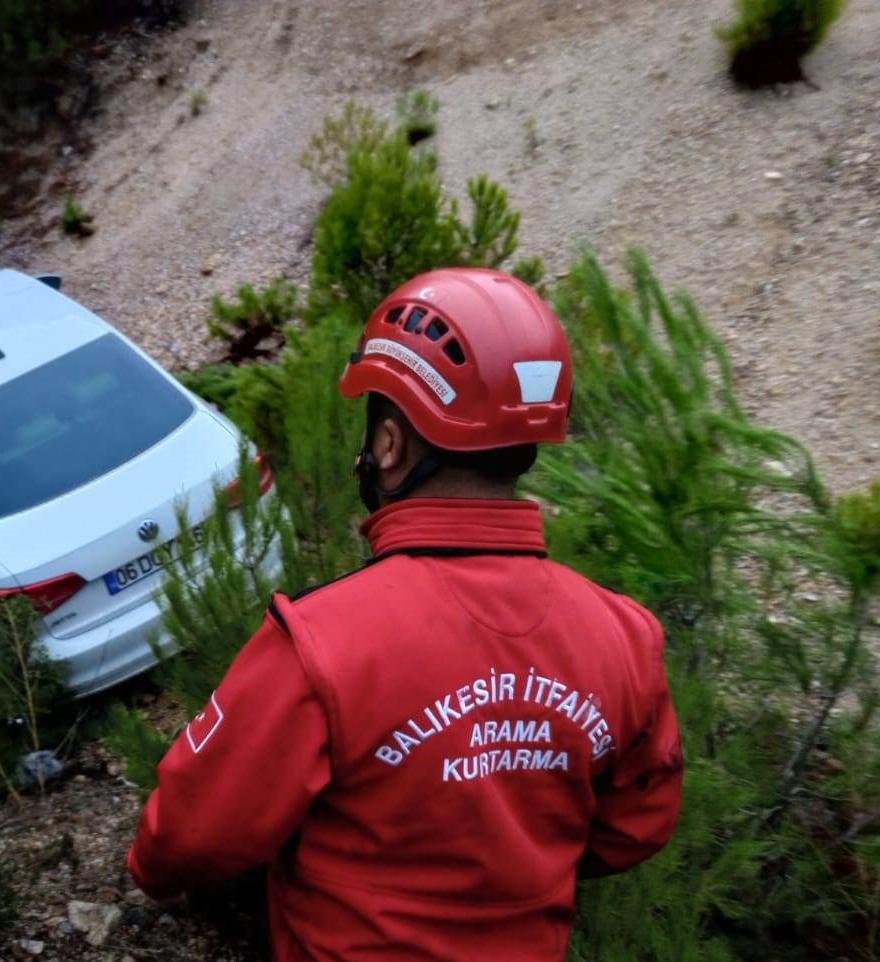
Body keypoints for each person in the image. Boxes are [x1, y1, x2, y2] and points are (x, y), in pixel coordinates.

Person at [125, 268, 683, 961]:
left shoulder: (320, 643)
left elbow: (187, 839)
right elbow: (636, 826)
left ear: (388, 444)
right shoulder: (625, 634)